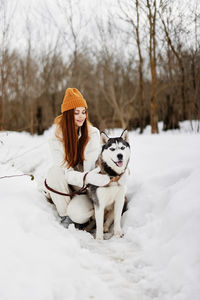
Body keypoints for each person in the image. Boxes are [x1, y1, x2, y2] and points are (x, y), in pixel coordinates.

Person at [45, 88, 110, 227]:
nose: (81, 116)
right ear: (68, 114)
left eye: (83, 112)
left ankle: (84, 214)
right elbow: (65, 173)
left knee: (78, 214)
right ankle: (65, 216)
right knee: (54, 172)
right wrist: (86, 177)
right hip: (68, 187)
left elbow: (97, 165)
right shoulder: (56, 138)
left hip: (86, 190)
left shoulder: (93, 134)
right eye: (76, 113)